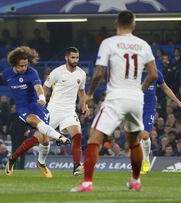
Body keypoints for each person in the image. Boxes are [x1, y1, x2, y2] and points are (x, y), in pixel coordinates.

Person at [71, 10, 158, 192]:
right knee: (134, 141)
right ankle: (135, 180)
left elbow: (100, 73)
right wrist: (140, 90)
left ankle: (87, 183)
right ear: (133, 24)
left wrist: (90, 93)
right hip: (135, 99)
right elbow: (153, 75)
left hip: (116, 97)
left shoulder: (108, 43)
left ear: (116, 23)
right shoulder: (143, 45)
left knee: (95, 136)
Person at [2, 46, 70, 178]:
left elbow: (38, 87)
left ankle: (34, 162)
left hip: (36, 105)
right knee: (35, 121)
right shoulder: (6, 73)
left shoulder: (31, 72)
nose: (24, 68)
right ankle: (60, 137)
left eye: (26, 65)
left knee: (44, 139)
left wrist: (42, 97)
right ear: (14, 64)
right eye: (21, 66)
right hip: (23, 107)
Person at [43, 47, 90, 176]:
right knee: (40, 138)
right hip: (54, 109)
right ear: (66, 57)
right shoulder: (57, 72)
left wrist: (84, 105)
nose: (75, 60)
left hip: (69, 111)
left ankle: (76, 166)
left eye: (77, 58)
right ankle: (14, 158)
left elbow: (82, 92)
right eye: (73, 57)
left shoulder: (81, 74)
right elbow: (45, 87)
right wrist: (42, 101)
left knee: (77, 135)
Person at [140, 70, 181, 174]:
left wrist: (179, 102)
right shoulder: (134, 73)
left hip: (149, 108)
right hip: (135, 106)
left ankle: (145, 160)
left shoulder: (155, 73)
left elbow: (166, 89)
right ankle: (140, 160)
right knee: (137, 136)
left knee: (145, 135)